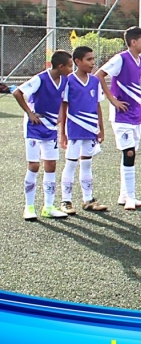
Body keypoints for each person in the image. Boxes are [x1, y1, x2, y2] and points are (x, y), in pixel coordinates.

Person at [13, 50, 72, 220]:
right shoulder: (40, 78)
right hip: (34, 127)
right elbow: (17, 92)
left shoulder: (64, 80)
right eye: (69, 66)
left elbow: (62, 100)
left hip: (50, 128)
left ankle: (48, 207)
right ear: (60, 66)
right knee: (34, 166)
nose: (71, 69)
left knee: (51, 165)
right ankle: (29, 207)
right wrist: (30, 113)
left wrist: (61, 115)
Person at [96, 26, 141, 210]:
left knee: (130, 154)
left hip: (136, 114)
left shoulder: (140, 61)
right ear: (133, 42)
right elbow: (99, 75)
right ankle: (131, 197)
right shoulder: (120, 58)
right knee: (129, 153)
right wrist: (112, 100)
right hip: (121, 116)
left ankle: (124, 195)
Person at [58, 46, 108, 214]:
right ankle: (66, 201)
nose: (92, 63)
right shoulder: (68, 81)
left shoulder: (94, 81)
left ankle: (88, 199)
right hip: (74, 130)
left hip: (90, 130)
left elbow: (97, 105)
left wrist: (101, 128)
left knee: (87, 163)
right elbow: (64, 107)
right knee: (71, 164)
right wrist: (63, 132)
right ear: (77, 62)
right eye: (89, 59)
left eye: (93, 59)